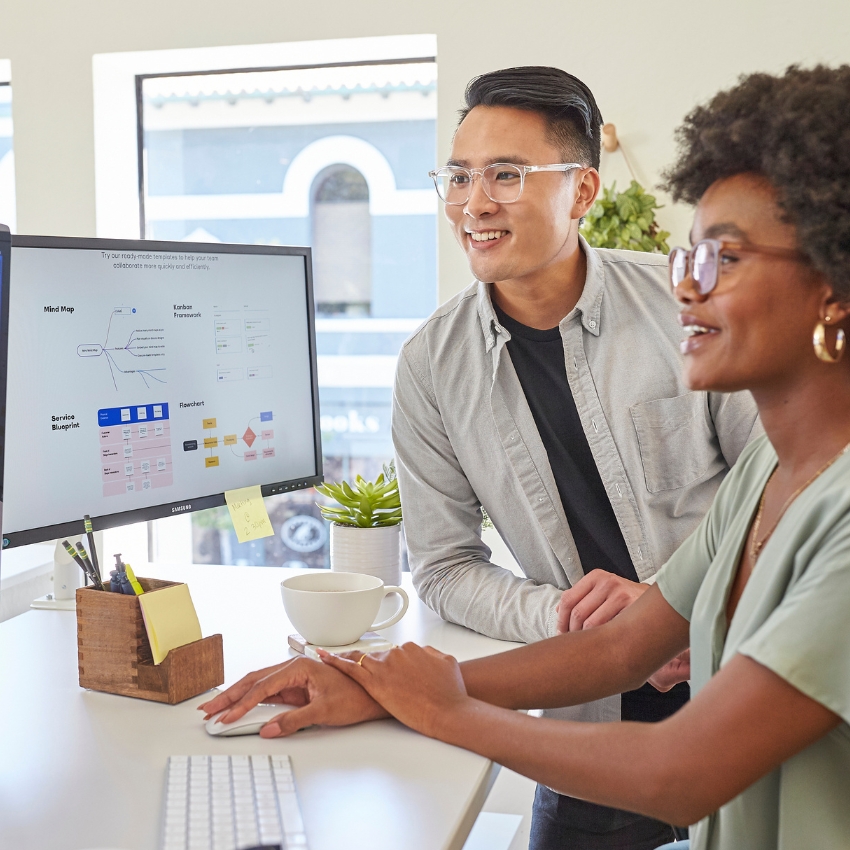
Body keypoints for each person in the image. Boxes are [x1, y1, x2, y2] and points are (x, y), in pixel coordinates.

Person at [202, 64, 850, 849]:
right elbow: (619, 646)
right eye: (460, 176)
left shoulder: (831, 510)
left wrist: (444, 708)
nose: (687, 289)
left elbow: (683, 771)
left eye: (727, 260)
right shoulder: (761, 484)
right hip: (620, 749)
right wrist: (376, 687)